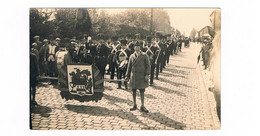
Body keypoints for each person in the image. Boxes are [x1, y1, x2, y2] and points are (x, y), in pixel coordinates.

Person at [125, 42, 150, 113]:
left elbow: (148, 65)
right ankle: (134, 104)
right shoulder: (131, 56)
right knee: (134, 91)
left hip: (142, 76)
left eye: (138, 46)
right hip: (134, 76)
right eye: (136, 47)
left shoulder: (144, 55)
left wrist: (147, 74)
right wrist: (127, 76)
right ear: (134, 48)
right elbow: (129, 67)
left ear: (140, 47)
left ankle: (142, 105)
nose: (137, 48)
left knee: (142, 91)